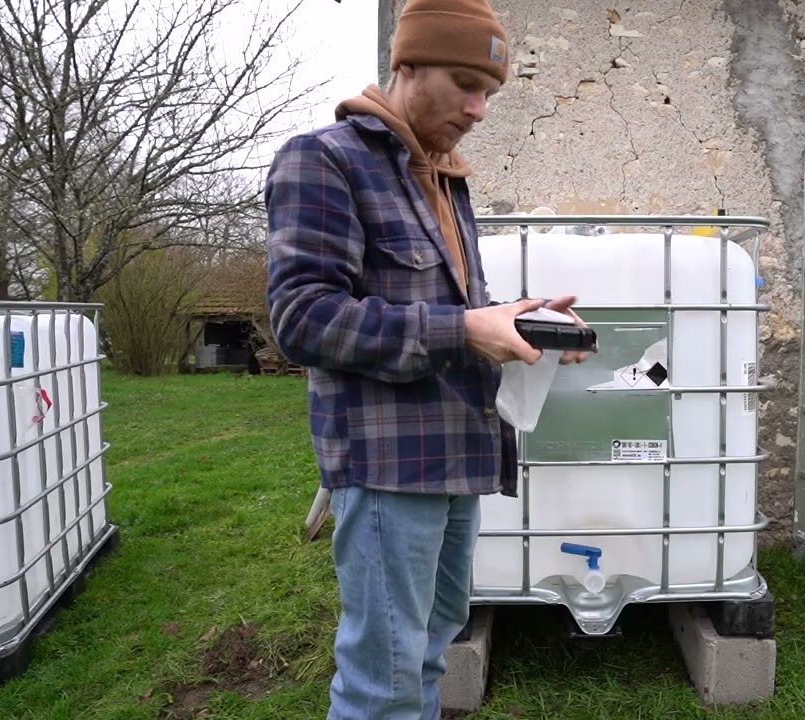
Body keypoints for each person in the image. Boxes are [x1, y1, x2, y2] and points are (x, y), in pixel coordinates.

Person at [263, 1, 590, 718]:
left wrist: (522, 323)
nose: (478, 109)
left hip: (458, 455)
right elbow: (301, 318)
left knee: (429, 654)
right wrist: (466, 330)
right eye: (464, 82)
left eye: (491, 93)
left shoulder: (443, 177)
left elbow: (458, 306)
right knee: (382, 681)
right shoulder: (324, 159)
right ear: (406, 64)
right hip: (388, 469)